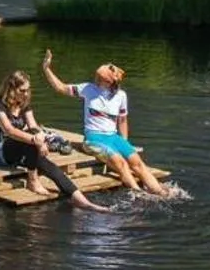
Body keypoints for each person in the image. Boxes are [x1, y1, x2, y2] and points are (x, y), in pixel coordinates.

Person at [41, 48, 172, 197]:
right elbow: (61, 88)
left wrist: (124, 142)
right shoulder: (88, 89)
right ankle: (139, 194)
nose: (96, 78)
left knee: (137, 163)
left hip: (113, 137)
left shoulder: (121, 95)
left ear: (108, 81)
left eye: (100, 77)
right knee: (120, 163)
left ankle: (160, 192)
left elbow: (122, 120)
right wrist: (46, 69)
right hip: (93, 139)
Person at [0, 71, 106, 211]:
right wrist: (35, 140)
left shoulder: (23, 103)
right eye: (22, 90)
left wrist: (41, 139)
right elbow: (9, 131)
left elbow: (33, 126)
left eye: (28, 90)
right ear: (11, 89)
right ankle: (33, 180)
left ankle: (81, 200)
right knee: (31, 139)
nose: (26, 94)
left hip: (20, 148)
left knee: (49, 165)